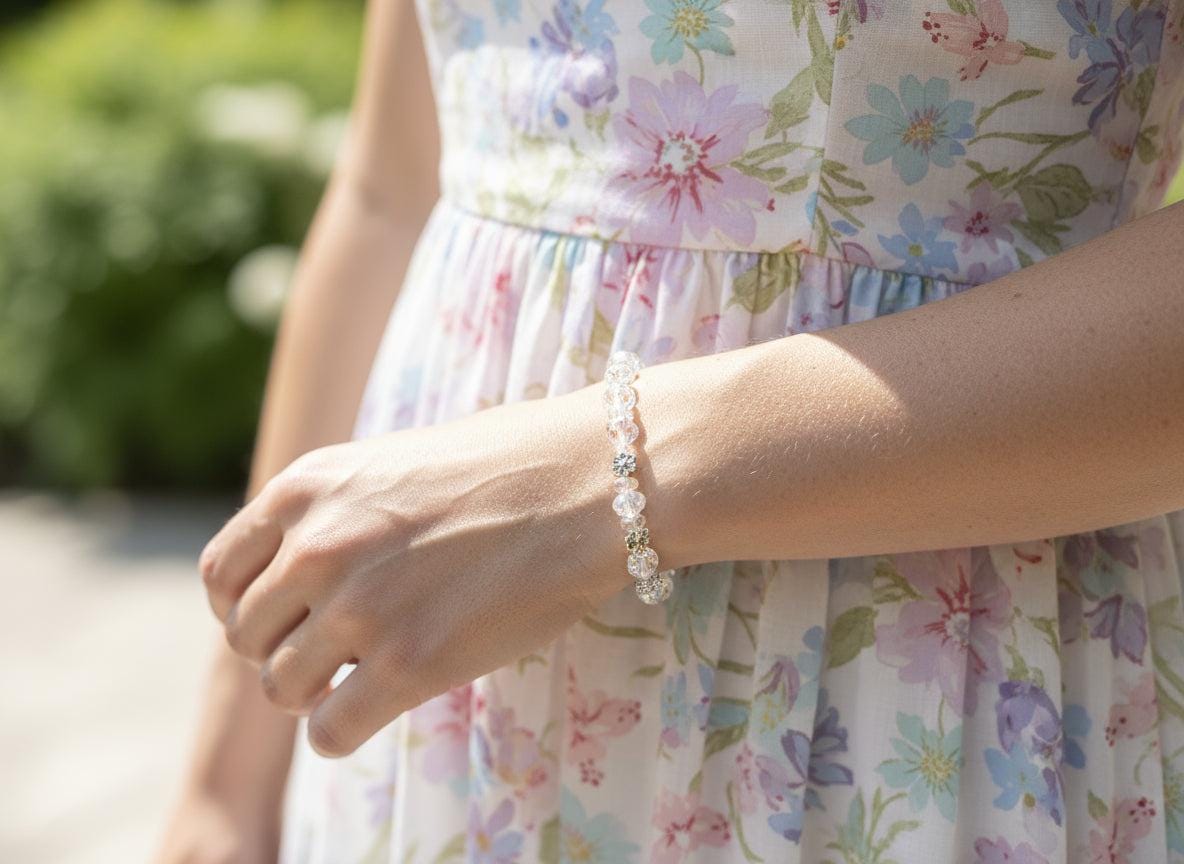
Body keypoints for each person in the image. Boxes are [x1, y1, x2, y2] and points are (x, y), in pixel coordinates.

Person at [155, 1, 1184, 861]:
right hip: (429, 732)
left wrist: (608, 480)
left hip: (916, 712)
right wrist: (230, 767)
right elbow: (390, 187)